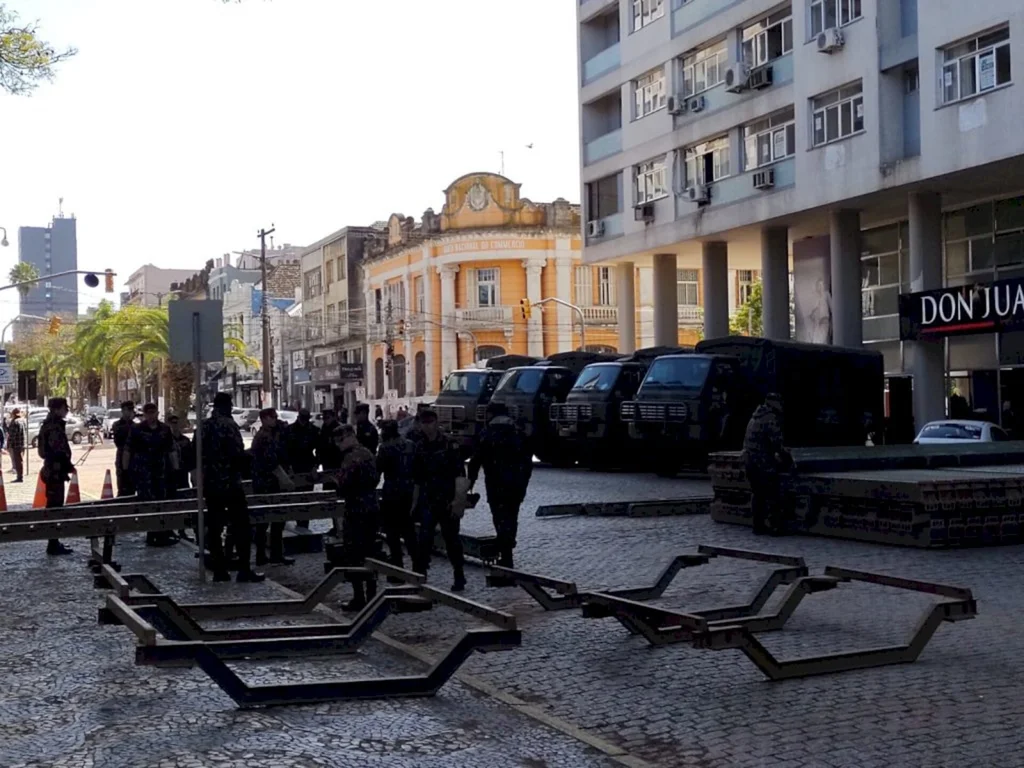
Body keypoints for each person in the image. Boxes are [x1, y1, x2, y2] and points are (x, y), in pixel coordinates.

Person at [202, 392, 264, 583]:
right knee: (241, 526)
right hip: (230, 482)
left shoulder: (204, 426)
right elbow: (237, 454)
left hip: (211, 483)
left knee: (214, 526)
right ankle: (244, 570)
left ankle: (220, 571)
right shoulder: (228, 425)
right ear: (228, 406)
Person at [468, 402, 533, 569]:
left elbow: (476, 460)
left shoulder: (486, 433)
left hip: (495, 483)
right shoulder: (518, 433)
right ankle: (508, 546)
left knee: (499, 517)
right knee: (512, 517)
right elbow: (527, 462)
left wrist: (470, 481)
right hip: (516, 484)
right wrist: (524, 482)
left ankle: (506, 552)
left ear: (491, 415)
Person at [411, 408, 467, 591]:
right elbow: (417, 478)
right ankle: (420, 575)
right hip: (428, 499)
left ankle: (459, 574)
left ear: (436, 423)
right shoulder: (419, 446)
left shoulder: (449, 445)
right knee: (424, 540)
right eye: (423, 423)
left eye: (429, 422)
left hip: (447, 498)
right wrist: (414, 504)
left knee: (452, 540)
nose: (427, 427)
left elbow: (460, 474)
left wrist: (459, 500)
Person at [334, 423, 381, 610]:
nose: (338, 445)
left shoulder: (351, 458)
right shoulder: (368, 453)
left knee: (354, 554)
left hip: (356, 509)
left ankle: (359, 598)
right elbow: (376, 478)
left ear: (347, 437)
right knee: (370, 553)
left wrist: (337, 483)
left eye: (339, 441)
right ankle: (372, 595)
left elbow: (343, 485)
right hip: (371, 506)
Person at [125, 403, 178, 546]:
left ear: (157, 413)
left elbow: (171, 449)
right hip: (143, 473)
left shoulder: (165, 430)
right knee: (148, 504)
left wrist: (176, 468)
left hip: (161, 472)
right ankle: (151, 533)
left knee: (162, 502)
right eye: (148, 413)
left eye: (153, 413)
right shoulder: (137, 429)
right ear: (144, 414)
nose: (151, 416)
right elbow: (128, 450)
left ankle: (162, 533)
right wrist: (126, 470)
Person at [742, 392, 792, 536]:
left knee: (758, 494)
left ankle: (758, 526)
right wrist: (787, 458)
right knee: (773, 494)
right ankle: (776, 527)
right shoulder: (770, 418)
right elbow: (777, 443)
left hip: (749, 460)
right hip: (762, 462)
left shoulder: (755, 416)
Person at [250, 407, 295, 566]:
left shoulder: (272, 435)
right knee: (264, 521)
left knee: (278, 520)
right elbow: (272, 462)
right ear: (264, 419)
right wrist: (285, 480)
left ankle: (275, 554)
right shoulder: (263, 437)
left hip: (270, 483)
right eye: (273, 417)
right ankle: (262, 556)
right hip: (265, 484)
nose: (275, 419)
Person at [376, 419, 417, 570]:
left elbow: (377, 471)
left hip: (392, 492)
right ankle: (417, 566)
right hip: (409, 491)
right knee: (409, 531)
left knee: (392, 533)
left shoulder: (385, 448)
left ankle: (397, 567)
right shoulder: (410, 445)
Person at [38, 397, 75, 556]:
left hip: (55, 471)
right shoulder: (53, 427)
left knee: (55, 506)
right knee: (55, 508)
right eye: (64, 407)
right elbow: (56, 451)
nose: (66, 410)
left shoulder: (52, 425)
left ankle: (54, 541)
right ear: (57, 409)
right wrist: (67, 465)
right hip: (54, 472)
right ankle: (52, 543)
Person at [111, 401, 136, 497]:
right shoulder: (117, 425)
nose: (130, 412)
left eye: (131, 410)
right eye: (128, 410)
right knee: (122, 486)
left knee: (133, 486)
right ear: (123, 411)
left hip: (134, 458)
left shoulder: (135, 425)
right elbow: (119, 441)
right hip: (122, 457)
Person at [7, 408, 25, 483]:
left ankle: (19, 477)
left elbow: (12, 435)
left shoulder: (15, 422)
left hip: (16, 444)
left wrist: (9, 444)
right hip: (22, 444)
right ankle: (20, 476)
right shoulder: (22, 421)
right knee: (20, 461)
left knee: (17, 461)